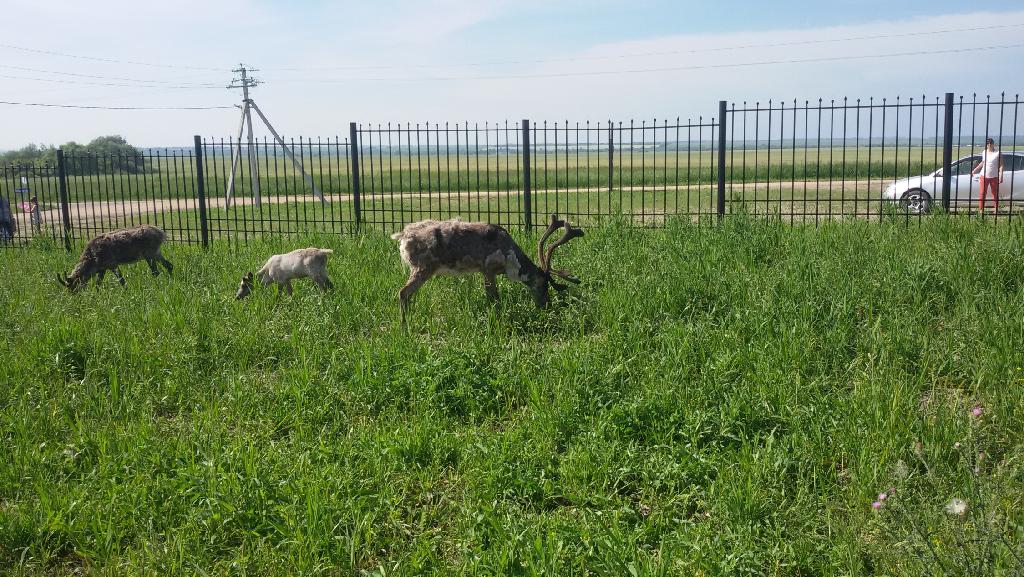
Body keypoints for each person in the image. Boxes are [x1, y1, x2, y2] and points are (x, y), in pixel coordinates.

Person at [970, 138, 1004, 214]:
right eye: (988, 143)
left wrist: (1001, 175)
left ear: (993, 144)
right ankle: (981, 210)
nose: (989, 145)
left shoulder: (998, 153)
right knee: (982, 193)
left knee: (995, 193)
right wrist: (974, 170)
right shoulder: (984, 152)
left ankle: (996, 209)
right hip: (984, 175)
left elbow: (1001, 165)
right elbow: (983, 163)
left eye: (991, 143)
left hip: (994, 176)